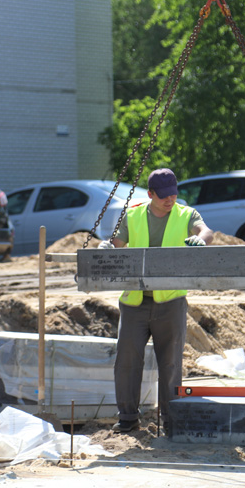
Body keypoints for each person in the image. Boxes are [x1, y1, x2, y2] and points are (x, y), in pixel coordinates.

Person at [100, 168, 214, 434]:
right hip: (135, 303)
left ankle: (171, 420)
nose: (169, 199)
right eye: (163, 196)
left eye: (173, 194)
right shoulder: (134, 214)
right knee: (127, 360)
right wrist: (105, 248)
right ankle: (128, 418)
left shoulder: (187, 214)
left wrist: (201, 239)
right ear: (150, 194)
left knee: (171, 362)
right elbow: (116, 243)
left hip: (170, 302)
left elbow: (206, 231)